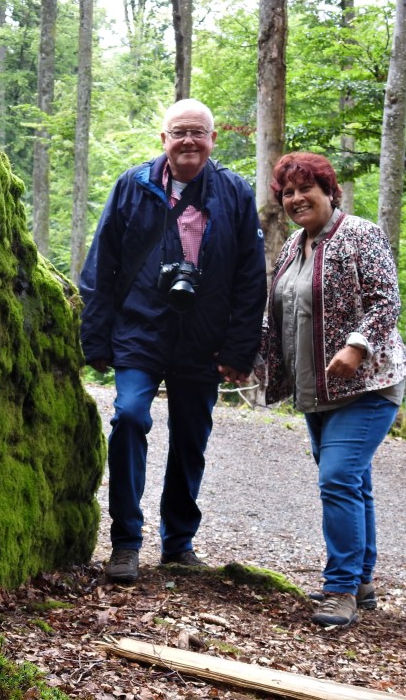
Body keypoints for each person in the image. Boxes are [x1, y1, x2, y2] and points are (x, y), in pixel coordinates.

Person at [79, 98, 267, 584]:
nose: (188, 140)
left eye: (197, 132)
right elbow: (102, 263)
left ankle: (179, 544)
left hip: (202, 337)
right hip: (140, 327)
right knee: (128, 417)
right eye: (179, 132)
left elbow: (251, 278)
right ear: (163, 139)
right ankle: (125, 542)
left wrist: (239, 349)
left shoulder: (234, 192)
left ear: (212, 140)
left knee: (190, 438)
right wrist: (95, 338)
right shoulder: (133, 185)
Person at [257, 151, 406, 627]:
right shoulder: (293, 245)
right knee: (353, 480)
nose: (296, 198)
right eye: (288, 192)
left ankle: (340, 589)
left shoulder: (361, 234)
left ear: (330, 191)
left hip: (368, 386)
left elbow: (386, 301)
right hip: (317, 390)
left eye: (306, 188)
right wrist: (248, 356)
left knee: (338, 478)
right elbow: (277, 314)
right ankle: (361, 581)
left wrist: (357, 346)